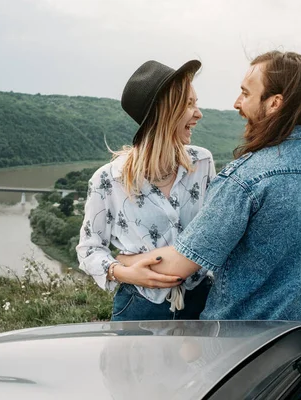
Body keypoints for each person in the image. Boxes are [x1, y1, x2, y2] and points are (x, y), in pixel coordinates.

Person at [118, 51, 301, 321]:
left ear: (274, 103)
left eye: (246, 93)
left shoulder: (246, 178)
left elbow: (177, 267)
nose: (237, 103)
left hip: (238, 345)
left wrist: (120, 263)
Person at [76, 59, 216, 321]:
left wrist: (131, 259)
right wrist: (126, 272)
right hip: (139, 305)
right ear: (164, 112)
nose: (198, 113)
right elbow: (89, 248)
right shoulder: (109, 179)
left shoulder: (202, 163)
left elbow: (214, 233)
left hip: (202, 301)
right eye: (189, 104)